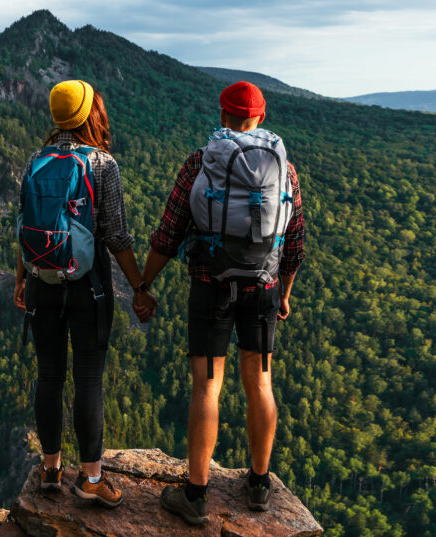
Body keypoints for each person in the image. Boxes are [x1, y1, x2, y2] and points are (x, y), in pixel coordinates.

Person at [135, 81, 305, 524]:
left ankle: (195, 495)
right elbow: (294, 241)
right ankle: (259, 484)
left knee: (207, 386)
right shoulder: (284, 170)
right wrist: (284, 294)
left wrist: (144, 284)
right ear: (260, 118)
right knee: (261, 383)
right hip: (264, 288)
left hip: (211, 286)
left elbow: (168, 232)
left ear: (222, 114)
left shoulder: (200, 163)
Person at [14, 80, 157, 508]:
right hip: (87, 288)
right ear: (89, 114)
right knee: (88, 379)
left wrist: (20, 279)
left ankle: (51, 470)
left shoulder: (35, 161)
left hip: (42, 283)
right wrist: (140, 287)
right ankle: (91, 478)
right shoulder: (101, 165)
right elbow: (116, 235)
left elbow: (24, 228)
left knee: (49, 376)